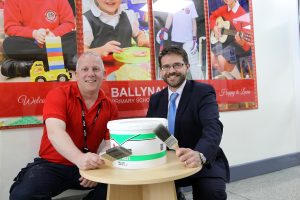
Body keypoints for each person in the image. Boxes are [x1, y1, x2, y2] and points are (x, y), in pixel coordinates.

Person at [9, 52, 119, 200]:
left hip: (89, 166)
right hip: (52, 166)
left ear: (104, 74)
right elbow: (55, 132)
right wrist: (79, 159)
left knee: (118, 187)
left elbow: (112, 144)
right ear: (76, 74)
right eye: (85, 69)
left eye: (96, 69)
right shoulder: (58, 95)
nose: (90, 74)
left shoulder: (110, 106)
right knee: (22, 196)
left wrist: (99, 166)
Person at [147, 46, 229, 200]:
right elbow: (153, 130)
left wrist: (200, 154)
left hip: (200, 159)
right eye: (166, 66)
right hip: (167, 163)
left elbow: (213, 127)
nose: (172, 70)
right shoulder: (156, 99)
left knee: (212, 193)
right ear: (161, 71)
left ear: (187, 67)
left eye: (177, 65)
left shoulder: (202, 92)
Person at [1, 0, 77, 78]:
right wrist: (34, 33)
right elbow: (10, 27)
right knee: (8, 44)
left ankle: (29, 66)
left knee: (76, 37)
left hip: (55, 41)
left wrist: (53, 34)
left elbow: (68, 22)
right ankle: (63, 61)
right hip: (31, 43)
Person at [83, 0, 149, 57]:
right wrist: (101, 50)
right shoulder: (86, 20)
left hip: (127, 68)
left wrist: (141, 40)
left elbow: (138, 34)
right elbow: (81, 52)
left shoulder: (129, 15)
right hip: (99, 69)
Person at [156, 0, 203, 80]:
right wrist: (166, 30)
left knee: (194, 65)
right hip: (176, 39)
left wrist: (194, 38)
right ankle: (178, 83)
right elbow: (170, 17)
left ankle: (201, 85)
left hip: (188, 39)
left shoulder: (190, 3)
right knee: (176, 64)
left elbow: (193, 21)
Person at [209, 0, 251, 79]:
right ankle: (230, 78)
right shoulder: (223, 9)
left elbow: (247, 43)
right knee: (210, 57)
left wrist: (240, 40)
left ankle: (239, 79)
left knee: (221, 60)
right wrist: (214, 26)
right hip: (227, 42)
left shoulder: (242, 14)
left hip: (240, 45)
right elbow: (212, 17)